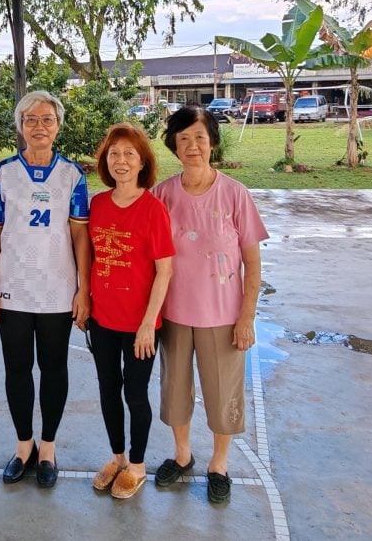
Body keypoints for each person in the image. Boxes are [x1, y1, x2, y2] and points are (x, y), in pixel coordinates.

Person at [152, 106, 268, 504]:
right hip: (174, 315)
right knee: (175, 391)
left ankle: (219, 464)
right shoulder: (162, 195)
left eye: (200, 137)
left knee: (223, 395)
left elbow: (252, 264)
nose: (192, 146)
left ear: (213, 142)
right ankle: (182, 455)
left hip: (223, 317)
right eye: (183, 138)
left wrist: (246, 317)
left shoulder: (235, 194)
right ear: (174, 145)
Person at [0, 90, 91, 488]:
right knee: (18, 370)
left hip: (59, 291)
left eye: (46, 119)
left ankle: (48, 447)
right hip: (14, 291)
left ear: (58, 126)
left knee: (55, 369)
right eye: (30, 120)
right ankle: (23, 445)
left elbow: (81, 238)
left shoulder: (73, 175)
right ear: (20, 126)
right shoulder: (4, 173)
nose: (38, 127)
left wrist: (83, 289)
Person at [86, 123, 175, 499]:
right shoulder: (98, 204)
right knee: (108, 390)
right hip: (102, 318)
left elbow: (164, 270)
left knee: (135, 395)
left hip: (140, 324)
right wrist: (85, 303)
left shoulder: (153, 209)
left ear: (142, 163)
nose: (120, 161)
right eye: (114, 154)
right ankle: (118, 456)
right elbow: (89, 257)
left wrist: (147, 326)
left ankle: (137, 465)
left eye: (129, 155)